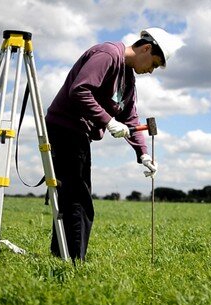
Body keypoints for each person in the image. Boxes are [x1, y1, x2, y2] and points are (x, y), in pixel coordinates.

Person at [45, 27, 183, 262]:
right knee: (79, 200)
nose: (150, 71)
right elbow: (79, 90)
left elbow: (130, 118)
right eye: (153, 64)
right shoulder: (108, 55)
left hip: (79, 134)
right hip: (64, 128)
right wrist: (108, 121)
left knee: (73, 197)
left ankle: (62, 255)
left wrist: (144, 155)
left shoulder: (128, 79)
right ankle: (73, 262)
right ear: (146, 48)